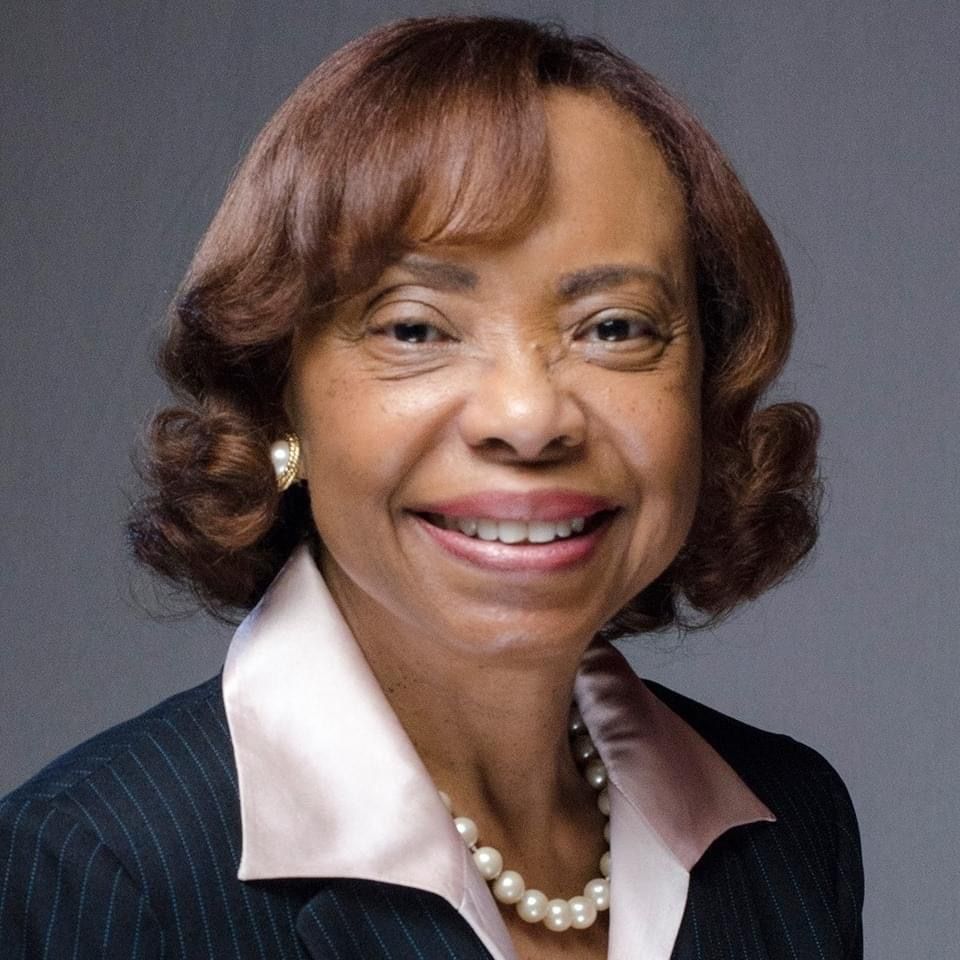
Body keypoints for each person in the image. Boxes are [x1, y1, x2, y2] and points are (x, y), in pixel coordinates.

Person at [0, 15, 863, 960]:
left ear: (706, 391)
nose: (530, 418)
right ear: (276, 393)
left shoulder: (792, 825)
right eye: (415, 329)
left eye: (614, 327)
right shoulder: (94, 873)